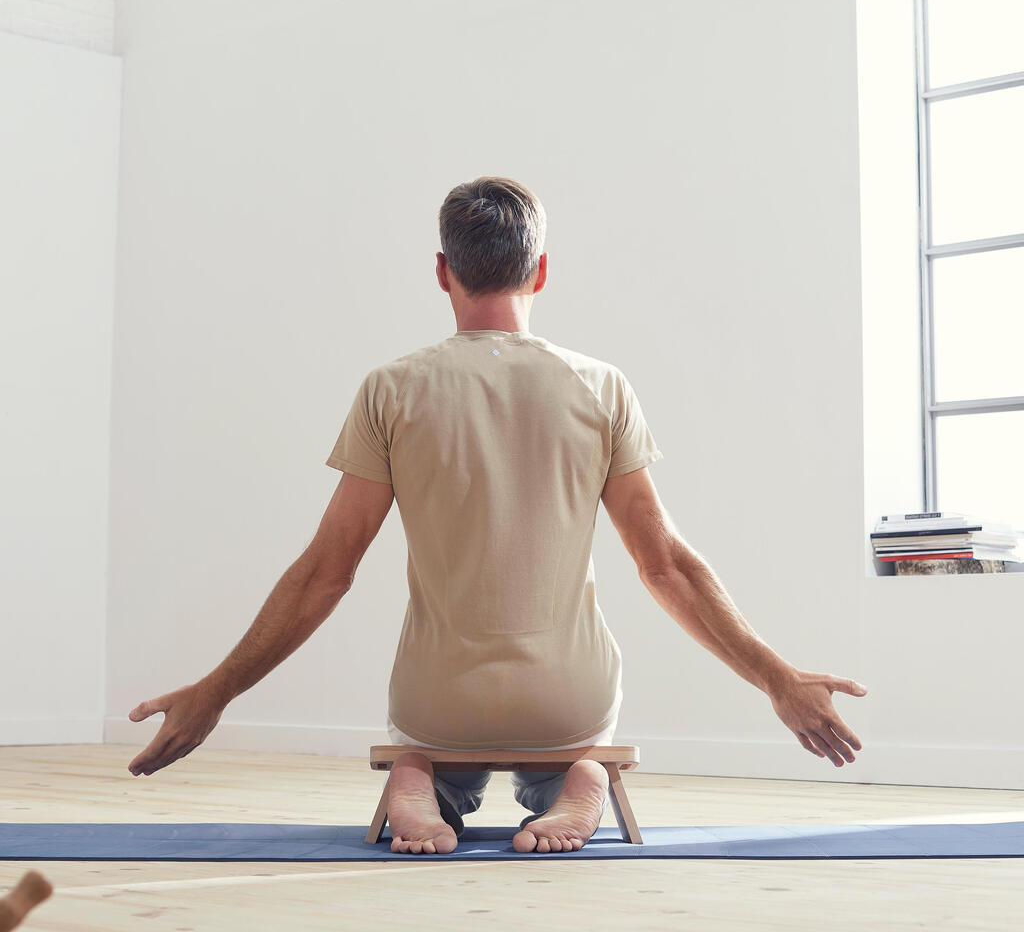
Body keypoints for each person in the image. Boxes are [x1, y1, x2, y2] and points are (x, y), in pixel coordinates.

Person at [127, 176, 868, 855]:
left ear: (443, 271)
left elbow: (327, 572)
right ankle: (577, 775)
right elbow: (665, 566)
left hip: (438, 698)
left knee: (422, 740)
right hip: (565, 698)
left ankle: (420, 776)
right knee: (579, 738)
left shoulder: (392, 389)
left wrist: (216, 690)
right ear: (540, 271)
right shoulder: (601, 387)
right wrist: (777, 678)